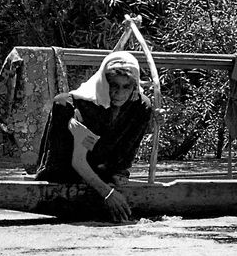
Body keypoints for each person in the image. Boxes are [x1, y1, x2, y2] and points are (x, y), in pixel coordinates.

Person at [35, 51, 156, 222]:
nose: (119, 93)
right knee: (61, 103)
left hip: (106, 171)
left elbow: (128, 141)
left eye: (126, 87)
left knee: (146, 106)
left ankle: (115, 175)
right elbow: (78, 161)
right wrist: (108, 193)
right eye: (114, 85)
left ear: (134, 86)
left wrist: (156, 121)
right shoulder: (75, 107)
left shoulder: (138, 105)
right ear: (104, 82)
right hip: (66, 172)